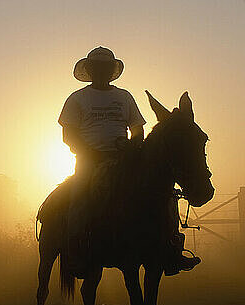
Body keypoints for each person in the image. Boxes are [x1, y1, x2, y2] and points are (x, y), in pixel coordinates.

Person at [58, 46, 198, 276]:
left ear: (111, 70)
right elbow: (69, 135)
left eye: (105, 67)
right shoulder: (77, 98)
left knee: (164, 195)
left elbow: (137, 129)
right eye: (97, 67)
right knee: (79, 198)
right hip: (88, 161)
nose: (101, 71)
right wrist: (91, 153)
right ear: (90, 70)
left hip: (124, 158)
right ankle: (77, 249)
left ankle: (171, 250)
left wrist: (132, 147)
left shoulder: (124, 97)